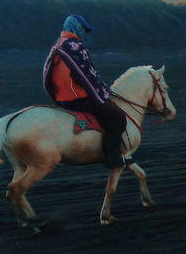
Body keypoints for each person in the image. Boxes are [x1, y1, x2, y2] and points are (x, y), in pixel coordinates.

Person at [42, 13, 127, 168]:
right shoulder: (75, 46)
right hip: (77, 98)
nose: (83, 33)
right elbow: (88, 76)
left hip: (62, 97)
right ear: (76, 27)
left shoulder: (59, 44)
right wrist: (102, 93)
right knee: (118, 118)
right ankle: (112, 158)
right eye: (83, 29)